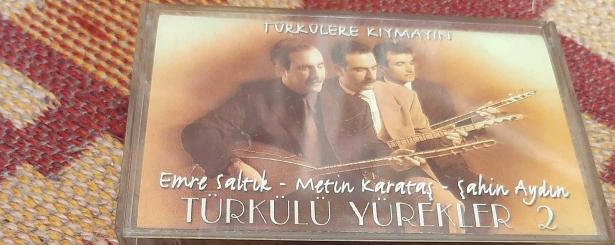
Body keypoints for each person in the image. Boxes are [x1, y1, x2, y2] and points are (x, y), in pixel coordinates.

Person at [181, 39, 416, 184]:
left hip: (341, 192)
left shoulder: (353, 104)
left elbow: (371, 147)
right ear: (282, 70)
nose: (316, 75)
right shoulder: (254, 97)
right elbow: (198, 131)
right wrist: (232, 165)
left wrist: (391, 160)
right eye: (304, 68)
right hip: (277, 194)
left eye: (320, 66)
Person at [373, 41, 476, 190]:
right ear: (382, 68)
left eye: (411, 62)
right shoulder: (372, 93)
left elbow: (452, 126)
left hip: (446, 166)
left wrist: (457, 137)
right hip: (399, 170)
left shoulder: (436, 91)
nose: (410, 69)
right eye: (400, 64)